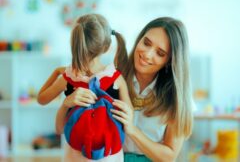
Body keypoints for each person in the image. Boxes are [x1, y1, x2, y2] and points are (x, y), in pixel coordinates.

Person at [61, 16, 194, 162]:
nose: (147, 54)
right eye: (146, 43)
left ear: (170, 61)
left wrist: (132, 129)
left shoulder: (176, 98)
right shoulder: (113, 78)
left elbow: (169, 156)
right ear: (139, 39)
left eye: (160, 53)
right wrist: (68, 102)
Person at [37, 13, 132, 162]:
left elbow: (42, 101)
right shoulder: (116, 79)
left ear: (75, 43)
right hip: (109, 155)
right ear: (106, 47)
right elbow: (129, 118)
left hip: (74, 156)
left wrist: (56, 73)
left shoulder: (68, 78)